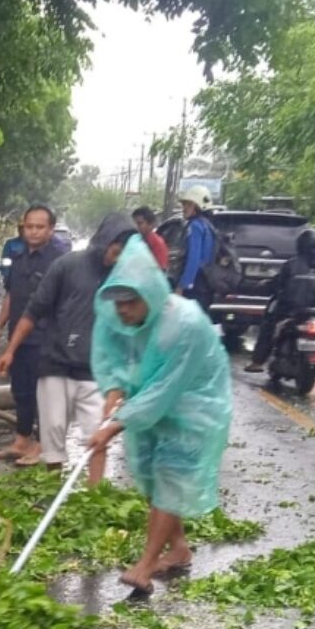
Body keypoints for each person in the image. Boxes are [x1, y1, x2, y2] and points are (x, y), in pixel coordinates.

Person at [87, 236, 232, 593]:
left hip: (193, 406)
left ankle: (146, 565)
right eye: (118, 304)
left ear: (150, 293)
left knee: (171, 476)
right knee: (153, 479)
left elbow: (166, 387)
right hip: (148, 405)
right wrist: (115, 391)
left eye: (130, 302)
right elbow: (112, 356)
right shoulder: (122, 320)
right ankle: (179, 548)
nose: (122, 311)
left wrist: (116, 425)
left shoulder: (186, 324)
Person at [0, 212, 136, 481]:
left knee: (97, 434)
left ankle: (95, 499)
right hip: (55, 363)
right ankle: (51, 488)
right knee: (52, 435)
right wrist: (11, 349)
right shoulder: (67, 266)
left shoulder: (125, 276)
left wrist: (121, 378)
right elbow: (33, 311)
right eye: (114, 251)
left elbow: (130, 328)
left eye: (123, 254)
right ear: (103, 242)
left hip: (96, 371)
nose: (115, 258)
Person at [0, 204, 68, 465]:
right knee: (20, 390)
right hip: (18, 338)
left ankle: (42, 445)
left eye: (39, 227)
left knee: (41, 393)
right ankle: (21, 440)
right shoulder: (20, 257)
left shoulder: (58, 260)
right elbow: (12, 295)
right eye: (29, 226)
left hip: (45, 338)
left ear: (51, 229)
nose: (33, 232)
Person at [246, 228, 315, 372]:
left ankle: (258, 361)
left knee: (268, 324)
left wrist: (260, 287)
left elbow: (277, 283)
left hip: (290, 310)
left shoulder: (291, 264)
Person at [173, 186, 216, 307]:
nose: (184, 208)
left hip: (196, 286)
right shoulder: (207, 225)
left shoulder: (195, 226)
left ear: (198, 206)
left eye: (188, 204)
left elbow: (193, 259)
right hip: (206, 284)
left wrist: (183, 285)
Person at [132, 205, 169, 272]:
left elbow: (160, 272)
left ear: (150, 224)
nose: (136, 227)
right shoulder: (135, 240)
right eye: (134, 224)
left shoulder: (158, 244)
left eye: (139, 223)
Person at [0, 223, 26, 291]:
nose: (22, 230)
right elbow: (5, 262)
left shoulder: (35, 244)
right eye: (20, 228)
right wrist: (6, 276)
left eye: (25, 227)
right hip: (14, 279)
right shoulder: (11, 243)